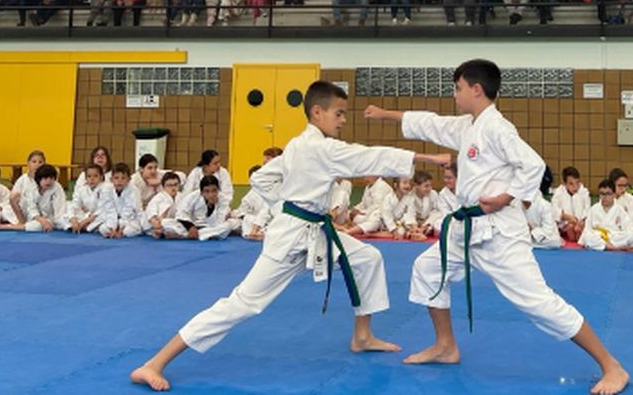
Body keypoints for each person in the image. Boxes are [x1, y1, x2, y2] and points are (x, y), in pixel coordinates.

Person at [130, 81, 447, 392]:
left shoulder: (297, 145)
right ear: (317, 112)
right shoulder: (320, 148)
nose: (343, 120)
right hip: (291, 238)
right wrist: (428, 159)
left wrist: (285, 206)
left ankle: (362, 336)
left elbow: (261, 178)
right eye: (338, 113)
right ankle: (154, 364)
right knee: (242, 304)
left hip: (313, 232)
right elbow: (369, 156)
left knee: (368, 258)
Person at [364, 59, 628, 394]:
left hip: (500, 232)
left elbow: (533, 165)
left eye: (458, 88)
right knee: (428, 269)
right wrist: (386, 114)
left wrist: (505, 196)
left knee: (538, 302)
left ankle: (611, 365)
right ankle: (445, 345)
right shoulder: (468, 126)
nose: (454, 94)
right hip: (467, 227)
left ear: (476, 89)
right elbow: (430, 123)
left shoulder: (498, 128)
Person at [0, 163, 68, 232]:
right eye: (45, 178)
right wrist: (40, 219)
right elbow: (31, 207)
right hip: (33, 216)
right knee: (7, 210)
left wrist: (49, 221)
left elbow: (59, 211)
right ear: (39, 179)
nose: (49, 181)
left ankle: (11, 227)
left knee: (38, 226)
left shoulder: (57, 188)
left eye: (51, 178)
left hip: (50, 218)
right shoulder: (33, 187)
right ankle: (21, 223)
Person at [579, 180, 633, 251]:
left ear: (614, 194)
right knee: (587, 237)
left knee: (632, 236)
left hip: (614, 237)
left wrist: (631, 240)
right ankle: (612, 247)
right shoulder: (593, 209)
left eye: (608, 193)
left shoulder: (620, 210)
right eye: (602, 194)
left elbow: (629, 229)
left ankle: (604, 246)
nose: (605, 197)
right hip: (599, 237)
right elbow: (587, 229)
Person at [98, 163, 143, 238]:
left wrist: (121, 229)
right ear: (111, 179)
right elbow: (109, 209)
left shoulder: (134, 191)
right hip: (112, 219)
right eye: (116, 178)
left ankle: (122, 232)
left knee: (129, 231)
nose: (119, 181)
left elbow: (129, 210)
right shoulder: (107, 190)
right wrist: (112, 228)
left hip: (131, 219)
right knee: (103, 229)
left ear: (129, 180)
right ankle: (112, 231)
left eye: (123, 178)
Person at [551, 166, 590, 243]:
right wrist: (565, 216)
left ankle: (578, 233)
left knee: (580, 229)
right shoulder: (559, 193)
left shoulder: (584, 192)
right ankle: (570, 232)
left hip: (580, 224)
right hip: (565, 225)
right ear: (565, 184)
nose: (575, 187)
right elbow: (553, 209)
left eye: (577, 182)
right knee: (569, 226)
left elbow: (587, 209)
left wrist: (582, 221)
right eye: (571, 184)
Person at [68, 164, 109, 234]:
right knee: (66, 214)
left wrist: (87, 220)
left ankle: (87, 226)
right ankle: (80, 226)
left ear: (101, 177)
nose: (92, 179)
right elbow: (74, 204)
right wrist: (73, 219)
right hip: (86, 215)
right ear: (86, 178)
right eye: (89, 176)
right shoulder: (82, 190)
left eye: (95, 176)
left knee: (106, 217)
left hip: (99, 216)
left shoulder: (106, 188)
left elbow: (103, 208)